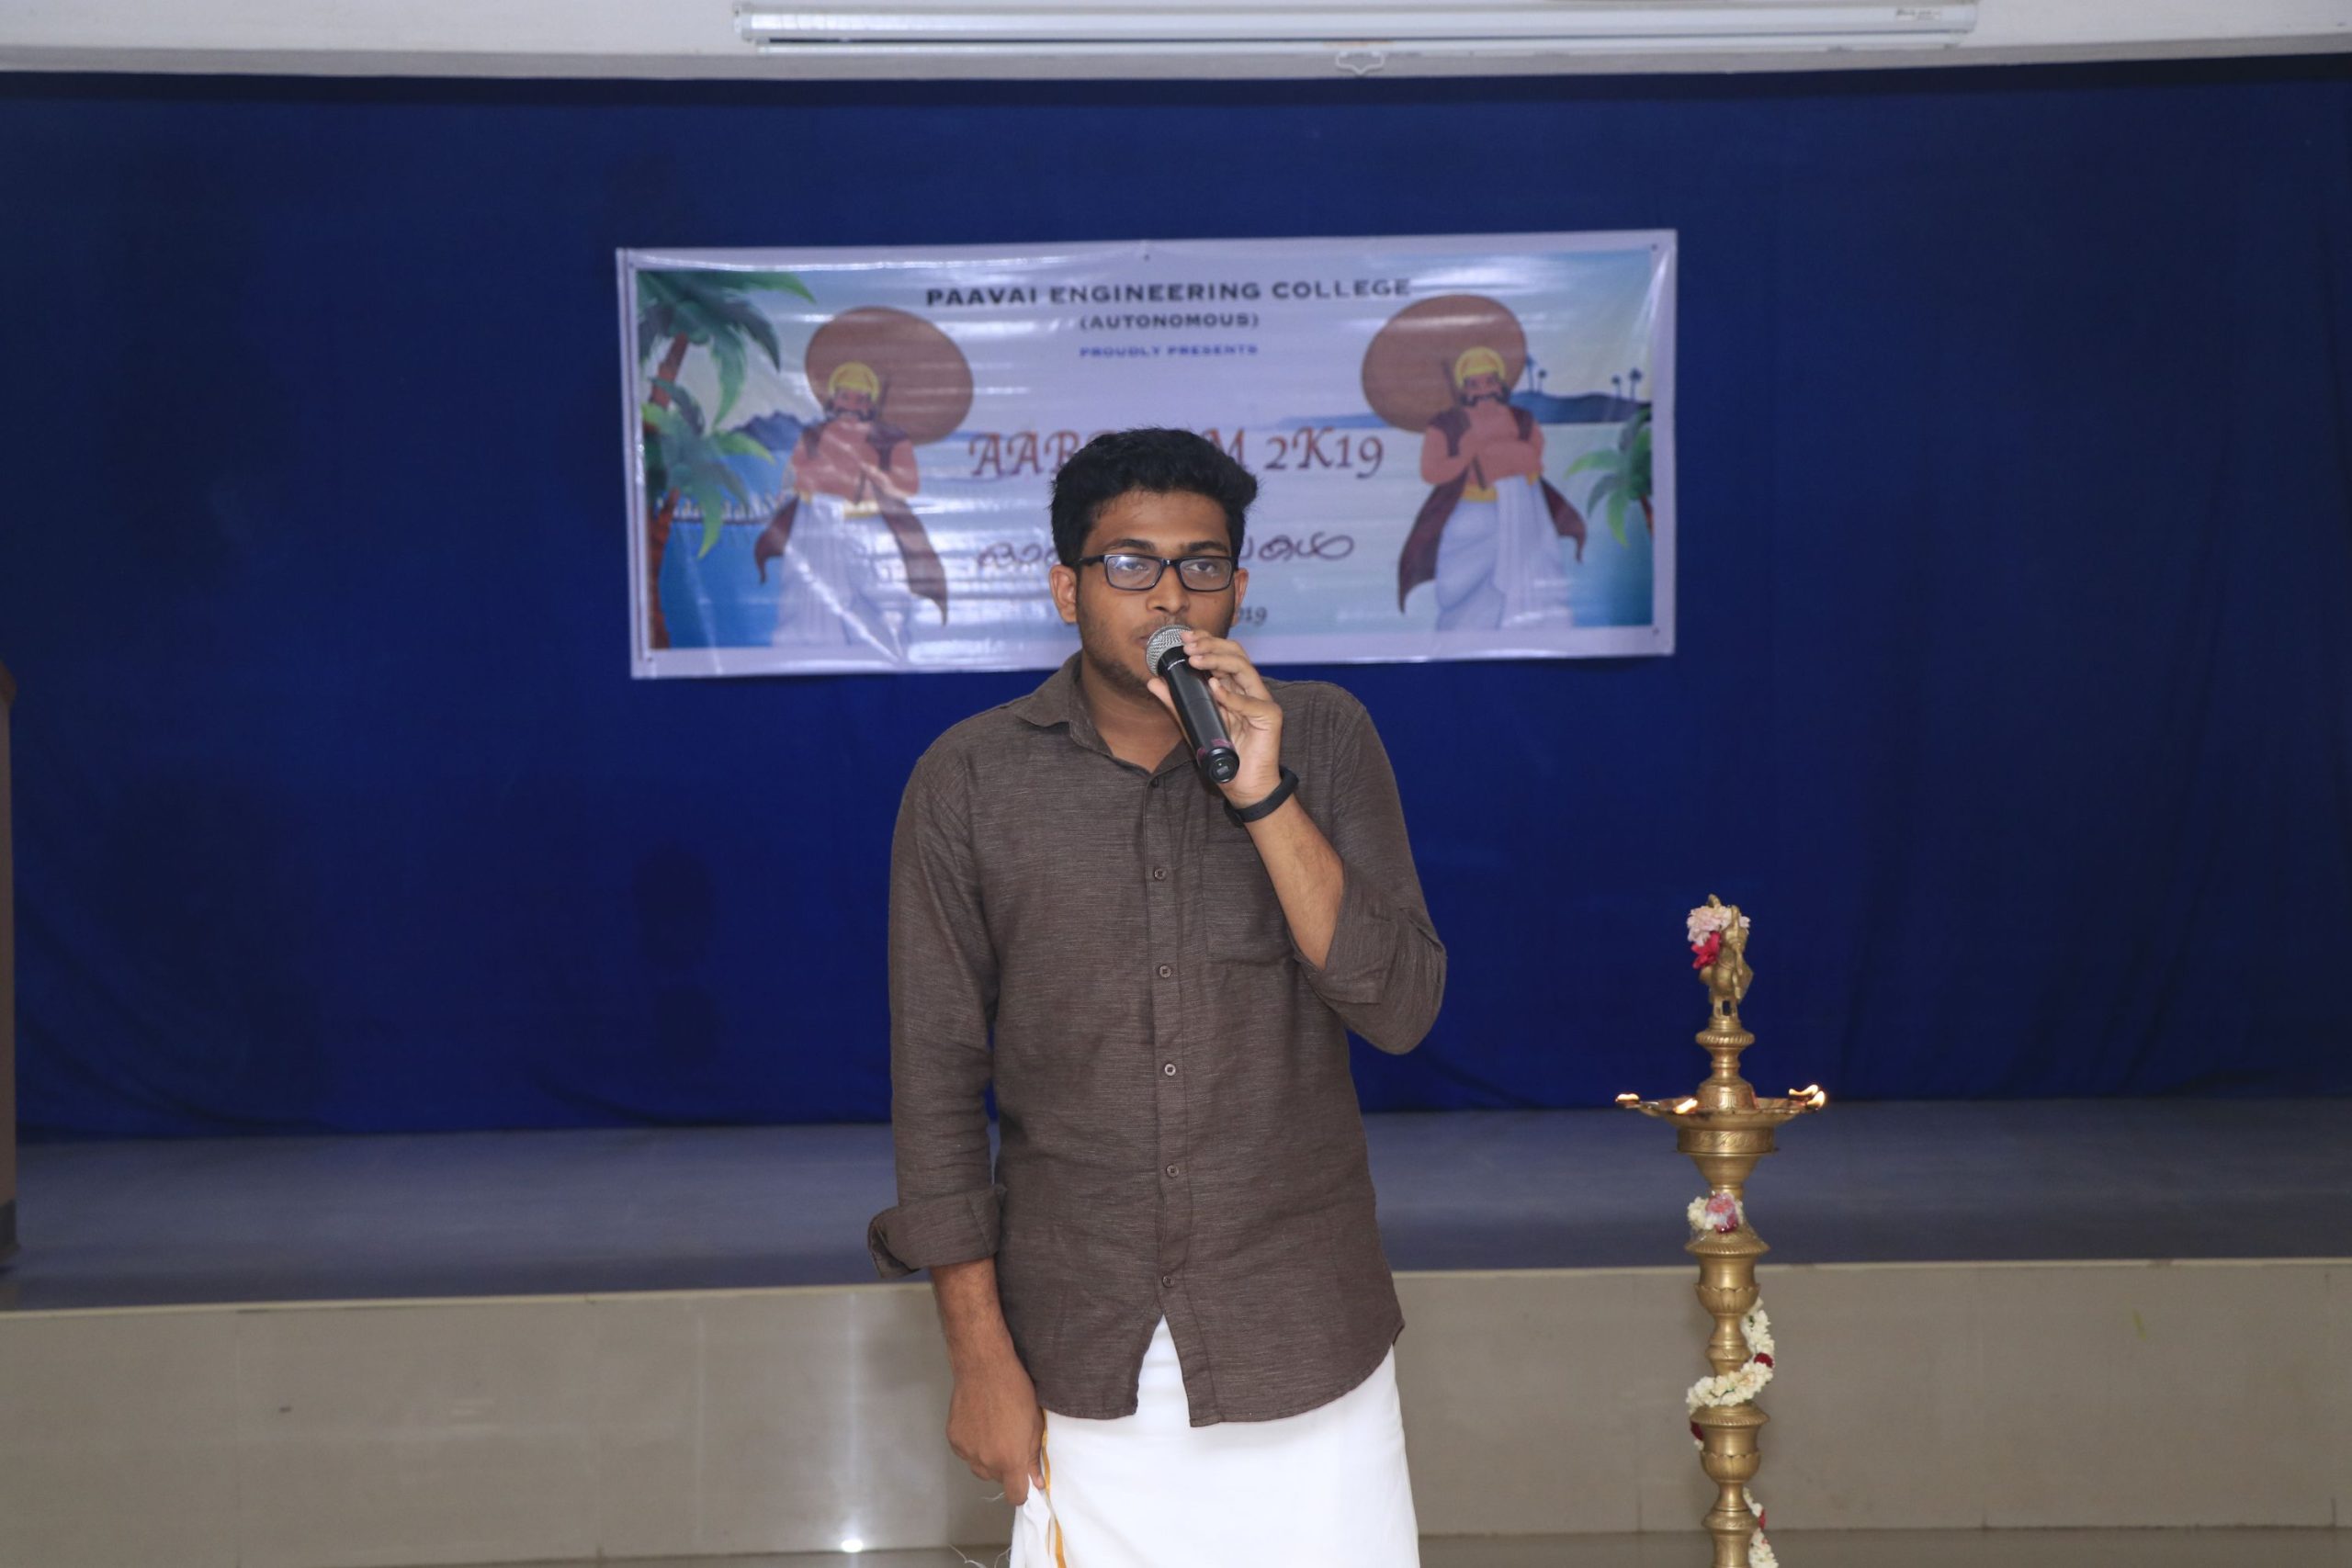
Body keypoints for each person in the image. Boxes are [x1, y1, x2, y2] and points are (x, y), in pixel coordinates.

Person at [866, 427, 1447, 1566]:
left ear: (1239, 586)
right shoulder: (969, 780)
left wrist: (1263, 792)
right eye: (1130, 564)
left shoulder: (1325, 738)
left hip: (1302, 1336)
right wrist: (977, 1357)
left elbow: (1400, 1008)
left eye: (1201, 565)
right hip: (1079, 1346)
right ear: (1065, 588)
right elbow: (934, 1084)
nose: (1169, 595)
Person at [759, 360, 947, 656]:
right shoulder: (814, 436)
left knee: (879, 599)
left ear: (870, 404)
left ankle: (883, 654)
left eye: (860, 399)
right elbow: (796, 478)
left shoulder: (891, 440)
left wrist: (872, 468)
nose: (851, 406)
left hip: (869, 528)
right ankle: (809, 656)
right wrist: (832, 474)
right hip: (815, 528)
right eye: (845, 397)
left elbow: (908, 485)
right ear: (833, 400)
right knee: (808, 596)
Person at [1397, 346, 1586, 630]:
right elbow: (1431, 472)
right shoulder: (1446, 424)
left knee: (1534, 579)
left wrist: (1496, 455)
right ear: (1463, 389)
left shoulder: (1522, 419)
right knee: (1461, 587)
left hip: (1524, 513)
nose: (1483, 390)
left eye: (1489, 381)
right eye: (1474, 384)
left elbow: (1533, 458)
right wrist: (1465, 454)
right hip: (1472, 514)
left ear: (1500, 384)